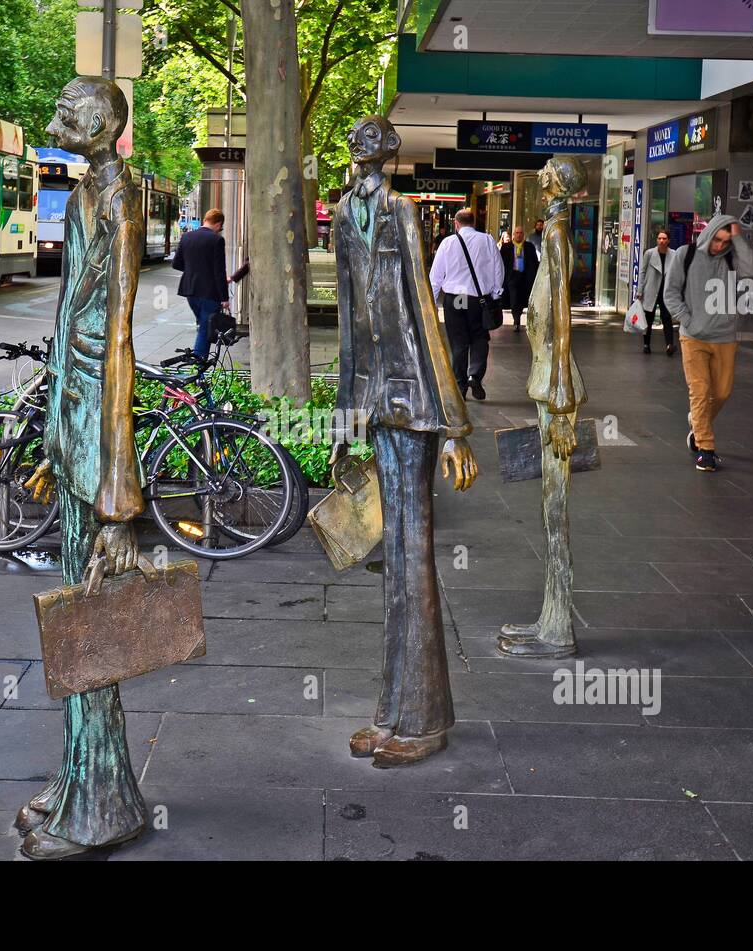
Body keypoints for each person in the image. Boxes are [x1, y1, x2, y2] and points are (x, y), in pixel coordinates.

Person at [13, 76, 148, 860]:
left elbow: (121, 341)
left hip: (103, 433)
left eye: (67, 111)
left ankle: (103, 802)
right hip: (76, 426)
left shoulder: (120, 202)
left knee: (89, 617)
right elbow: (71, 326)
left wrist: (116, 499)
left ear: (99, 126)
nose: (55, 118)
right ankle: (80, 776)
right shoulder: (79, 198)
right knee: (74, 604)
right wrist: (53, 438)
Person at [331, 114, 477, 768]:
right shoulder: (342, 215)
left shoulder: (401, 214)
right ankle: (392, 710)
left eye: (374, 143)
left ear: (387, 155)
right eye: (358, 141)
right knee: (393, 559)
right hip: (371, 399)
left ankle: (422, 718)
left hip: (414, 400)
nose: (365, 151)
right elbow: (346, 325)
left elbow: (423, 307)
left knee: (413, 554)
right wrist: (342, 422)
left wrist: (453, 427)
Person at [497, 157, 589, 660]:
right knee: (550, 506)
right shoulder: (552, 229)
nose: (540, 178)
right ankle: (550, 618)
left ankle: (558, 628)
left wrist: (558, 389)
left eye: (547, 174)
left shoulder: (554, 235)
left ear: (557, 184)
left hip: (556, 384)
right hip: (550, 379)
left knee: (555, 508)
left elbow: (561, 317)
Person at [663, 213, 753, 473]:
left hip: (725, 337)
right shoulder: (686, 254)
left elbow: (752, 269)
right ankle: (705, 449)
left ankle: (697, 422)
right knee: (700, 391)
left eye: (725, 241)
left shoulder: (731, 257)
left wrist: (737, 237)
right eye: (717, 239)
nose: (719, 245)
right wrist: (688, 320)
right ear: (709, 233)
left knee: (722, 392)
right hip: (693, 337)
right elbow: (670, 293)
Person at [429, 207, 503, 400]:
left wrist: (431, 303)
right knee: (479, 336)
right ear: (474, 222)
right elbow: (498, 269)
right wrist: (495, 294)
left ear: (456, 223)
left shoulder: (448, 243)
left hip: (458, 298)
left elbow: (436, 276)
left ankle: (460, 385)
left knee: (459, 341)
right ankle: (475, 375)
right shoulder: (487, 240)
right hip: (479, 299)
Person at [172, 207, 229, 358]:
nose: (219, 230)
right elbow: (219, 271)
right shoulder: (217, 240)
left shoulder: (187, 237)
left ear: (205, 220)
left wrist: (192, 269)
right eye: (220, 228)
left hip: (190, 291)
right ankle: (198, 370)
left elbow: (176, 264)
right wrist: (224, 297)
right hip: (210, 293)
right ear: (218, 224)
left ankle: (198, 367)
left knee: (203, 326)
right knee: (205, 329)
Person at [636, 229, 677, 355]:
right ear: (657, 240)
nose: (661, 241)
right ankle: (646, 344)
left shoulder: (674, 254)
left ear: (668, 240)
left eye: (664, 238)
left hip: (666, 292)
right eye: (659, 238)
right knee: (648, 319)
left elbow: (676, 274)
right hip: (651, 290)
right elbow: (642, 272)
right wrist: (640, 290)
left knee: (667, 319)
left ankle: (669, 345)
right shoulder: (649, 253)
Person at [500, 224, 540, 332]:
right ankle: (516, 320)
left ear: (523, 234)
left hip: (525, 277)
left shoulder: (529, 247)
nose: (519, 235)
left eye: (520, 233)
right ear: (513, 235)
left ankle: (518, 314)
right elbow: (501, 263)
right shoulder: (506, 247)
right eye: (517, 233)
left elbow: (535, 262)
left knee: (522, 299)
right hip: (512, 277)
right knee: (513, 298)